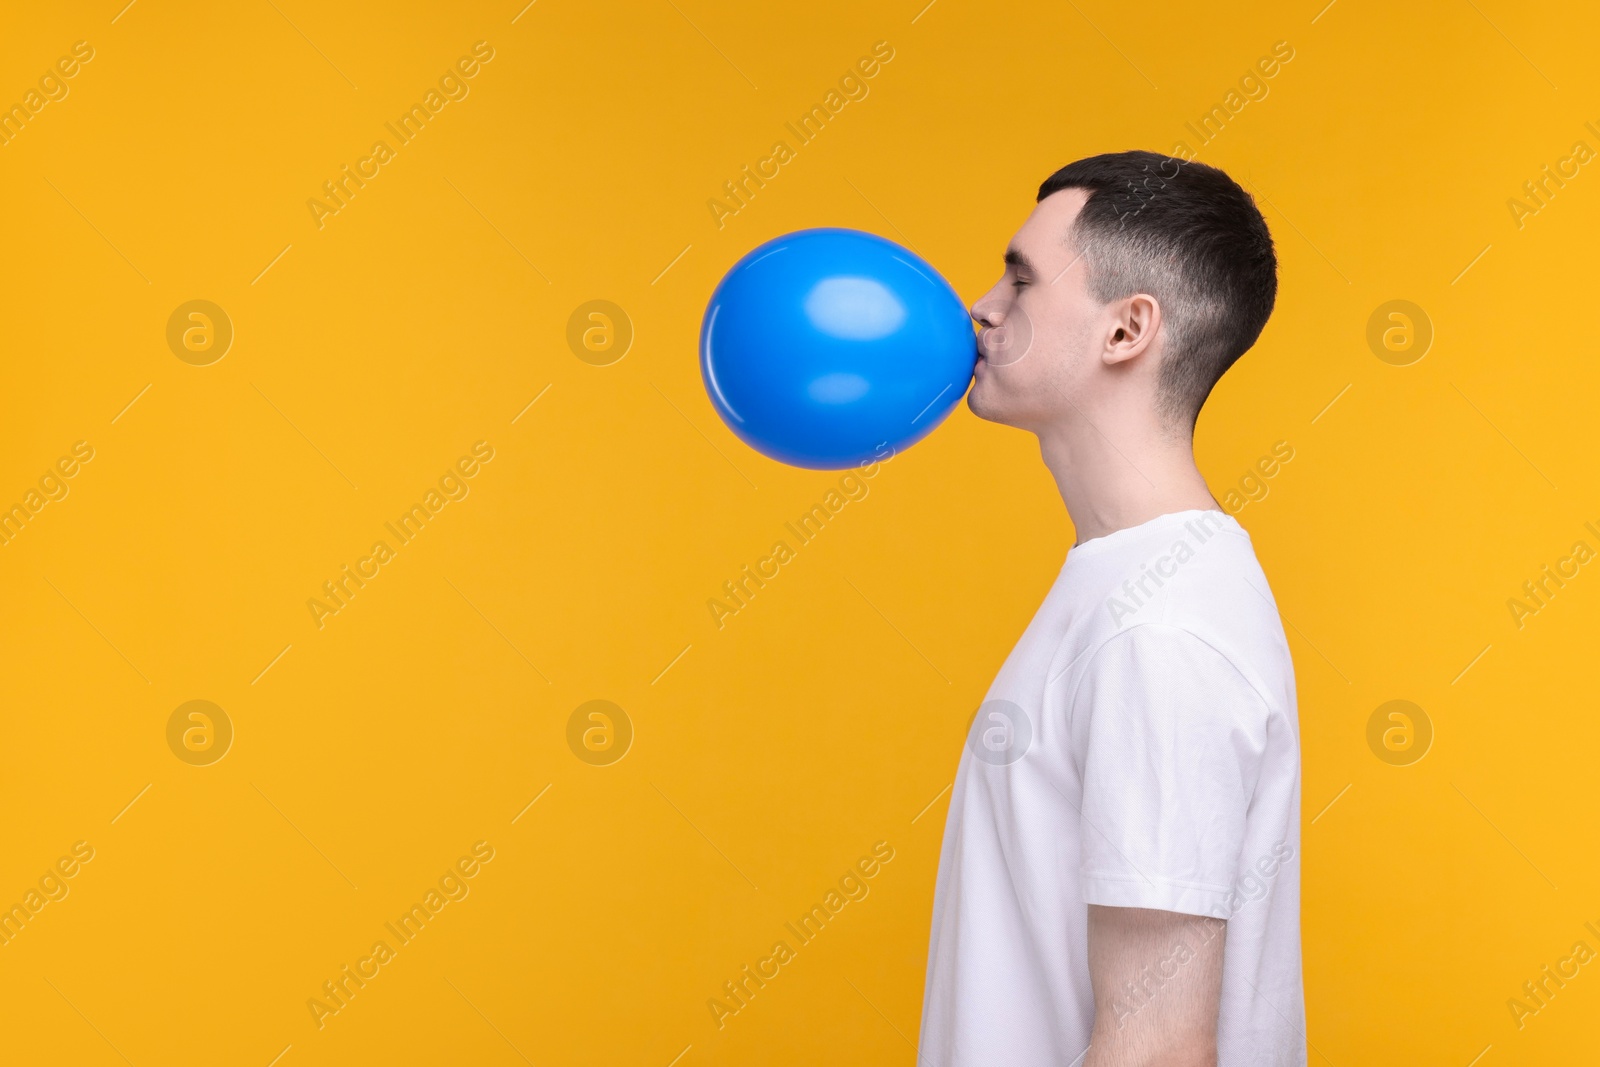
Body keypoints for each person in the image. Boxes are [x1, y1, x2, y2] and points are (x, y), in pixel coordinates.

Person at [919, 151, 1304, 1066]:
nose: (982, 304)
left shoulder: (1159, 627)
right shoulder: (1130, 584)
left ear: (1128, 330)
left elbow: (1159, 1044)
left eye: (1021, 277)